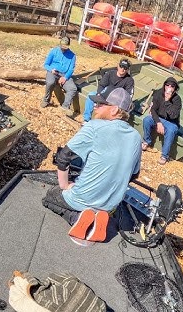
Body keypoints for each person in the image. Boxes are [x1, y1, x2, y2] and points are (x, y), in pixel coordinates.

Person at [42, 88, 141, 242]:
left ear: (114, 110)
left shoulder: (95, 127)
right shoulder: (136, 137)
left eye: (101, 104)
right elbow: (134, 174)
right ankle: (100, 217)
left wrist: (65, 185)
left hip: (82, 199)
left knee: (49, 197)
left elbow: (63, 157)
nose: (95, 106)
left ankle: (77, 218)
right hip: (110, 205)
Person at [141, 77, 182, 165]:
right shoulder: (158, 93)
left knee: (171, 131)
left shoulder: (177, 100)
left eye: (172, 86)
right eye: (167, 85)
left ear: (175, 88)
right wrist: (158, 123)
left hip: (171, 122)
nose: (169, 87)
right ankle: (146, 142)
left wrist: (167, 101)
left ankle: (164, 155)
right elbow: (153, 110)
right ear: (164, 85)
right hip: (159, 118)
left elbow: (173, 116)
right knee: (147, 120)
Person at [82, 58, 134, 123]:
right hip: (104, 95)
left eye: (125, 68)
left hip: (116, 101)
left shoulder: (129, 80)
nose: (122, 69)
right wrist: (99, 94)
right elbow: (101, 85)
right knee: (91, 94)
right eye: (121, 66)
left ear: (128, 69)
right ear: (118, 65)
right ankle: (86, 119)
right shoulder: (109, 73)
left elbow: (128, 96)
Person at [41, 37, 77, 116]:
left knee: (73, 88)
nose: (63, 48)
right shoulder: (54, 51)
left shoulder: (72, 56)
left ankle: (65, 106)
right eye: (62, 46)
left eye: (65, 47)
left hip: (64, 74)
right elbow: (46, 64)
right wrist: (51, 69)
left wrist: (65, 77)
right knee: (50, 82)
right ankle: (46, 100)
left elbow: (71, 69)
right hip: (53, 72)